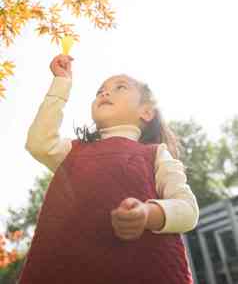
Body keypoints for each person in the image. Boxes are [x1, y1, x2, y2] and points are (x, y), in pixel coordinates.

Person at [19, 54, 199, 284]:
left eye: (119, 87)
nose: (104, 93)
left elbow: (187, 210)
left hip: (144, 271)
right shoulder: (72, 153)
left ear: (146, 112)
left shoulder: (155, 154)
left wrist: (147, 214)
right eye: (100, 91)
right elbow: (38, 142)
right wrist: (61, 83)